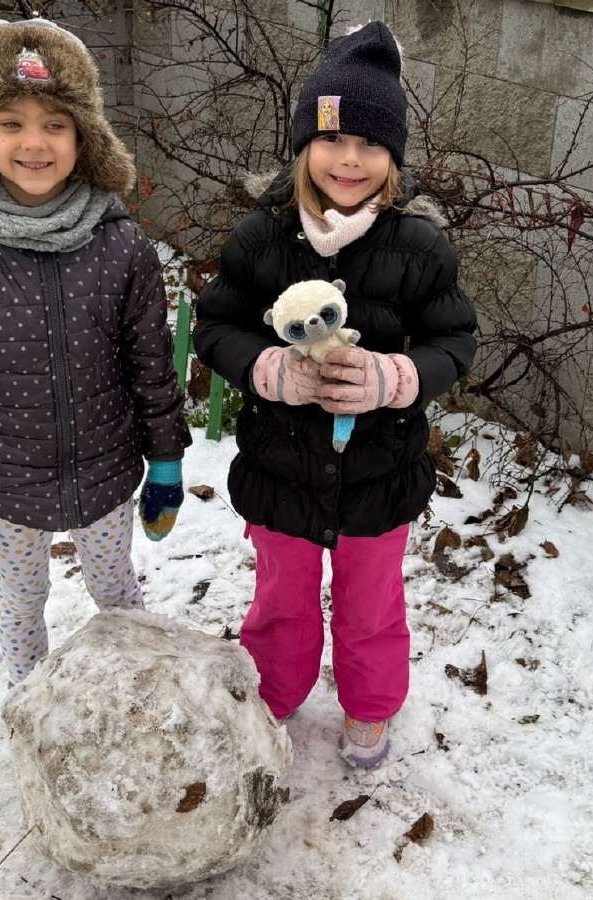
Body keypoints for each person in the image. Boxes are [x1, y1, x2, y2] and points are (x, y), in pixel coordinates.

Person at [192, 21, 478, 768]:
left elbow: (454, 341)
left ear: (393, 156)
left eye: (370, 143)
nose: (349, 159)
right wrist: (269, 370)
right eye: (331, 139)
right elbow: (215, 326)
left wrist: (395, 378)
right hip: (281, 468)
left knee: (370, 604)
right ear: (303, 145)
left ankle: (370, 705)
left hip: (377, 472)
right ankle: (275, 691)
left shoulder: (418, 247)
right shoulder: (260, 239)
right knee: (280, 598)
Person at [0, 16, 191, 687]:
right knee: (21, 596)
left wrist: (166, 460)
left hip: (105, 469)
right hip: (5, 479)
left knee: (116, 590)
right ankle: (27, 700)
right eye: (11, 123)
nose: (34, 142)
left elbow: (151, 364)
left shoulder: (122, 246)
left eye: (55, 124)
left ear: (83, 138)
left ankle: (135, 691)